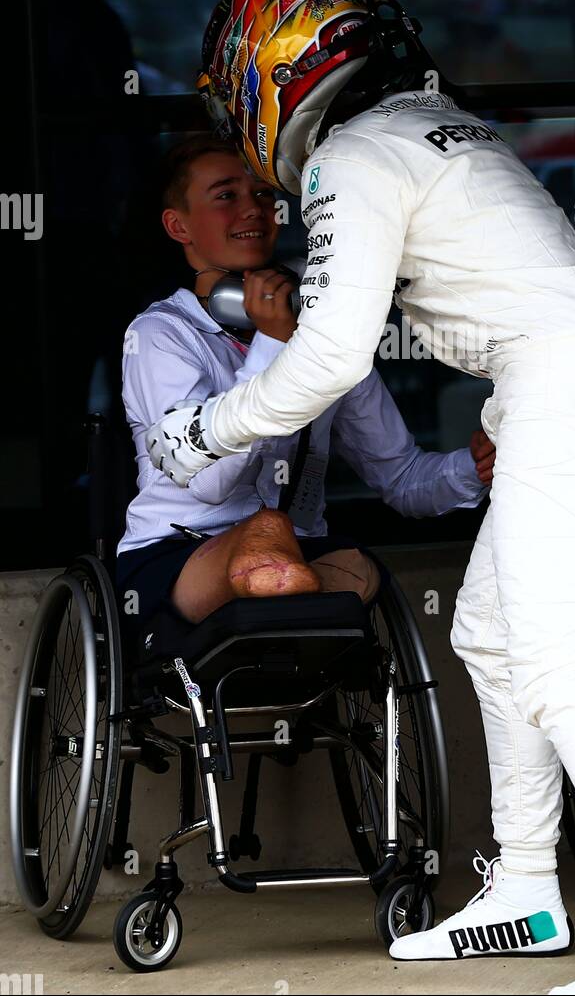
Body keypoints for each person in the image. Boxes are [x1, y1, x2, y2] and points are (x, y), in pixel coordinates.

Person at [146, 0, 575, 995]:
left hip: (564, 381)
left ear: (266, 69)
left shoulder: (349, 158)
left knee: (556, 665)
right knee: (490, 633)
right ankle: (528, 890)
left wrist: (205, 432)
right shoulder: (422, 124)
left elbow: (325, 354)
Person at [117, 132, 494, 653]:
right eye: (226, 195)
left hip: (294, 552)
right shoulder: (159, 336)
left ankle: (285, 586)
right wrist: (273, 346)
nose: (253, 209)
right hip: (178, 557)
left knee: (355, 564)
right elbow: (208, 484)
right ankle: (285, 583)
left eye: (263, 196)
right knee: (270, 528)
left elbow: (401, 478)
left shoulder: (319, 328)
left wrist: (472, 470)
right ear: (178, 225)